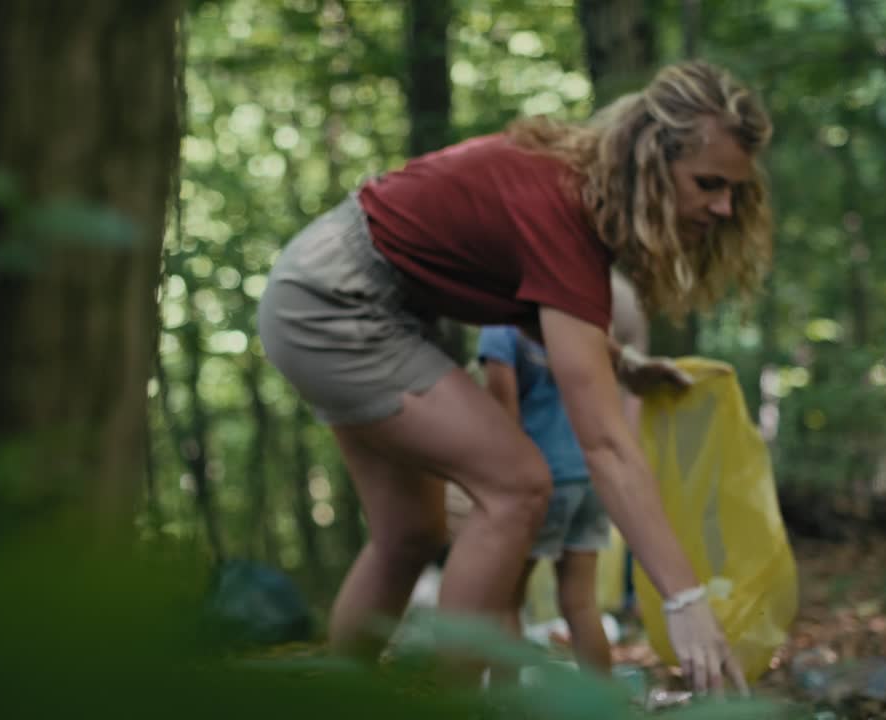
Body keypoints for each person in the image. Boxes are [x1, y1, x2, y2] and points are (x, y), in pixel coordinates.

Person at [257, 60, 772, 693]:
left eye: (734, 191)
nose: (723, 206)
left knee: (411, 533)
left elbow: (544, 316)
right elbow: (607, 445)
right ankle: (449, 704)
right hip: (337, 302)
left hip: (327, 289)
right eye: (708, 183)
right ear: (648, 160)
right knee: (519, 486)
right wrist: (683, 598)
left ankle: (336, 700)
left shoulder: (572, 189)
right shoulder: (563, 206)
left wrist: (624, 365)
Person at [478, 271, 648, 675]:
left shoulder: (499, 327)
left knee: (506, 599)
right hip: (590, 476)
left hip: (542, 479)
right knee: (581, 602)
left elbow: (504, 414)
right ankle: (602, 700)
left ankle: (505, 699)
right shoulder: (578, 319)